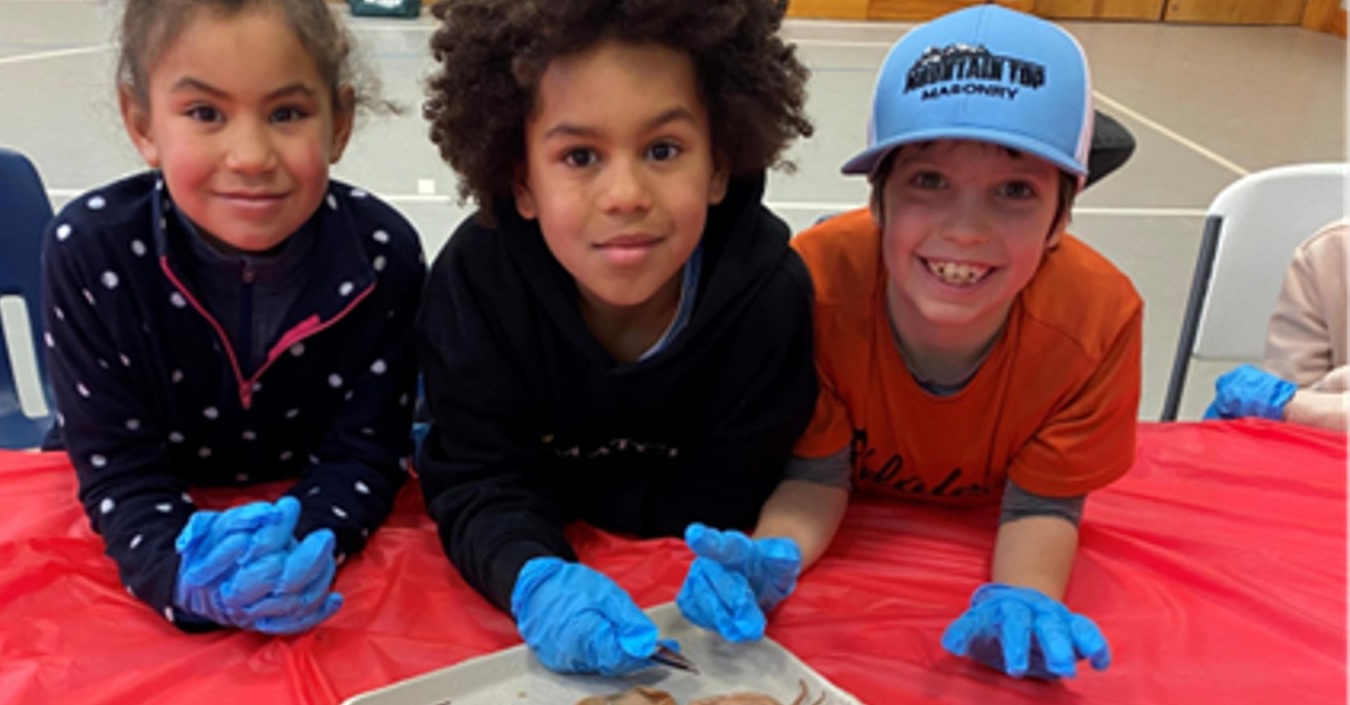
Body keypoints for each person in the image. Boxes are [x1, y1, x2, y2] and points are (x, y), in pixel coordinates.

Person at [417, 0, 822, 676]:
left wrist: (562, 491)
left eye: (663, 150)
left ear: (720, 165)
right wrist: (534, 572)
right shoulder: (475, 285)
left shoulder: (768, 300)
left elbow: (729, 489)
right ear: (522, 180)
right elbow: (477, 477)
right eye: (580, 155)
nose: (626, 194)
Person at [40, 0, 424, 635]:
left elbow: (366, 453)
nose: (250, 156)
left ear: (340, 122)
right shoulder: (89, 250)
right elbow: (119, 466)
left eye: (286, 114)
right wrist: (178, 581)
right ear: (141, 123)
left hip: (308, 524)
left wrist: (298, 551)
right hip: (139, 541)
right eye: (205, 114)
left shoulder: (384, 254)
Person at [788, 5, 1140, 680]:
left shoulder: (1098, 317)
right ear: (878, 195)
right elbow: (814, 471)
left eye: (1015, 190)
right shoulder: (816, 284)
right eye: (929, 181)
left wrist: (1026, 595)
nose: (966, 231)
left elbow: (1044, 502)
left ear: (1062, 215)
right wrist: (769, 557)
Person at [1204, 217, 1347, 432]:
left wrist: (1297, 409)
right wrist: (1288, 405)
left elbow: (1292, 406)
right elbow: (1285, 426)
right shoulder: (1328, 253)